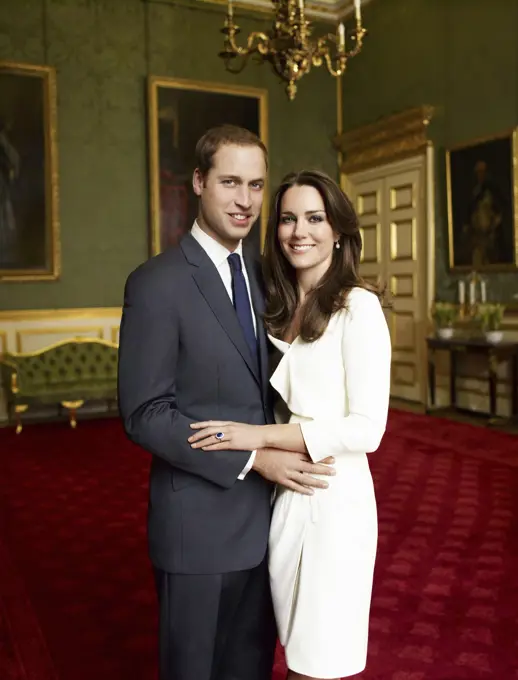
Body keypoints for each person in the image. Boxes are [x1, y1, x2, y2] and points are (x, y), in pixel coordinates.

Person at [117, 127, 336, 680]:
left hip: (269, 528)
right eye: (230, 182)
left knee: (250, 669)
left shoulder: (271, 281)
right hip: (196, 527)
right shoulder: (156, 284)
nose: (245, 200)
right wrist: (255, 459)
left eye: (257, 185)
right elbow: (146, 413)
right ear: (198, 182)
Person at [188, 169, 392, 680]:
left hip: (334, 497)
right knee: (288, 647)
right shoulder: (272, 307)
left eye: (315, 218)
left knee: (318, 660)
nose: (299, 231)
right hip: (282, 498)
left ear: (339, 230)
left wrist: (254, 437)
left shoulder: (358, 308)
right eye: (287, 219)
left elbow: (367, 430)